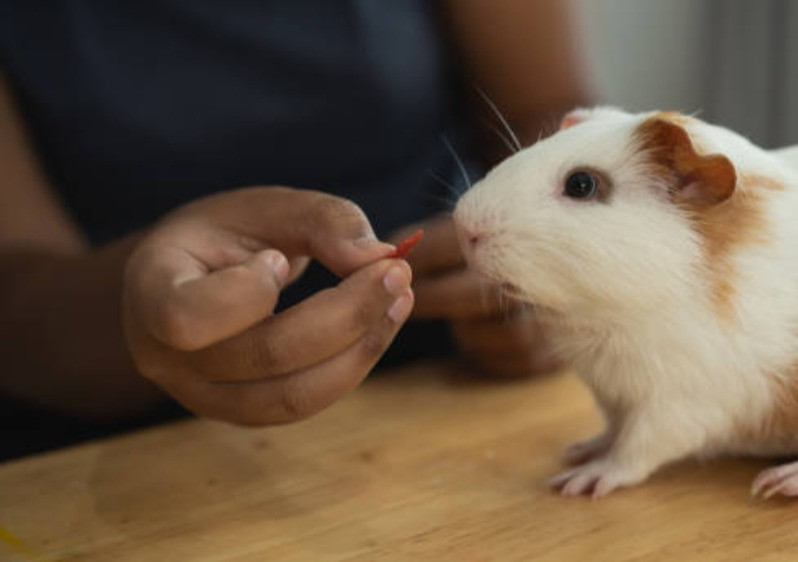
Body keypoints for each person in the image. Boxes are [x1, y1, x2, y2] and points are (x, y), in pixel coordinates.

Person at [0, 1, 591, 459]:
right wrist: (137, 314)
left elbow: (545, 107)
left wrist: (559, 270)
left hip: (457, 386)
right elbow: (14, 292)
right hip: (117, 454)